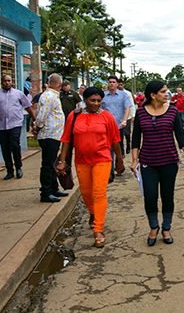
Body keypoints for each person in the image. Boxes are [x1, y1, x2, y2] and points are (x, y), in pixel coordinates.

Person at [57, 87, 124, 248]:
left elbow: (115, 141)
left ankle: (98, 229)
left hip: (102, 159)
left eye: (98, 101)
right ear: (85, 100)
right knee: (86, 193)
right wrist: (62, 160)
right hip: (82, 161)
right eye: (92, 100)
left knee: (98, 192)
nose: (95, 103)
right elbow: (66, 139)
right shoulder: (74, 116)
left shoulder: (107, 117)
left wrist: (120, 161)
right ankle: (94, 213)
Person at [131, 81, 184, 246]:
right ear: (153, 95)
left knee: (167, 196)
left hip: (169, 161)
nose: (168, 94)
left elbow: (180, 136)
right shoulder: (141, 113)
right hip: (148, 162)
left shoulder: (172, 111)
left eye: (167, 91)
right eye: (163, 91)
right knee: (150, 197)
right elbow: (136, 138)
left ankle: (166, 227)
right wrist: (134, 160)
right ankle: (153, 227)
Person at [0, 74, 36, 180]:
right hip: (1, 126)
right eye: (5, 81)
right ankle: (9, 170)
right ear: (2, 82)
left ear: (12, 82)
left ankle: (18, 167)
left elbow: (28, 107)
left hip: (15, 124)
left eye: (9, 81)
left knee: (15, 145)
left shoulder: (18, 94)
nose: (7, 83)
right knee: (5, 149)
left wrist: (34, 118)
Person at [33, 73, 67, 203]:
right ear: (57, 84)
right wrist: (37, 126)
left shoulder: (53, 96)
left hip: (55, 134)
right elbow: (42, 116)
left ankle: (53, 188)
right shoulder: (48, 96)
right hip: (48, 134)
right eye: (60, 84)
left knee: (52, 163)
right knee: (47, 164)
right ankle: (45, 193)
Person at [101, 75, 131, 181]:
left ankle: (119, 166)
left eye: (114, 82)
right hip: (106, 127)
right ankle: (110, 171)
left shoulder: (123, 95)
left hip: (118, 126)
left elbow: (127, 108)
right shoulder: (103, 96)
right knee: (108, 148)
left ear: (117, 84)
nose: (112, 84)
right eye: (110, 82)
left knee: (117, 146)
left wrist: (124, 120)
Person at [119, 80, 136, 155]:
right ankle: (121, 151)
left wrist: (133, 115)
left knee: (127, 133)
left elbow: (131, 105)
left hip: (127, 117)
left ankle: (128, 145)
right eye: (119, 84)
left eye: (121, 84)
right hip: (118, 117)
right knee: (120, 136)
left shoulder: (128, 93)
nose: (120, 85)